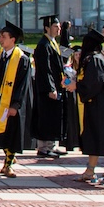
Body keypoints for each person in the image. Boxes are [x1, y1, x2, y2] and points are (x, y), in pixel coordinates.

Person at [69, 29, 104, 187]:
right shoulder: (101, 58)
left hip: (101, 107)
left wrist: (76, 86)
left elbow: (93, 83)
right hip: (99, 106)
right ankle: (90, 171)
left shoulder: (95, 60)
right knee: (94, 137)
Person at [0, 20, 33, 177]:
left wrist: (15, 105)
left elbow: (23, 85)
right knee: (1, 133)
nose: (0, 39)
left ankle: (8, 164)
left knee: (11, 132)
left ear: (13, 39)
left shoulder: (22, 59)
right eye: (0, 36)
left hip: (12, 104)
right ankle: (8, 160)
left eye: (4, 36)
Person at [31, 15, 65, 158]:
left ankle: (51, 144)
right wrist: (51, 88)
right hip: (46, 89)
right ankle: (44, 147)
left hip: (55, 86)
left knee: (53, 116)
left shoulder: (52, 44)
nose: (59, 29)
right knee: (46, 117)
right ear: (47, 28)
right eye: (55, 27)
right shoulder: (43, 46)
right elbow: (45, 69)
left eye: (59, 27)